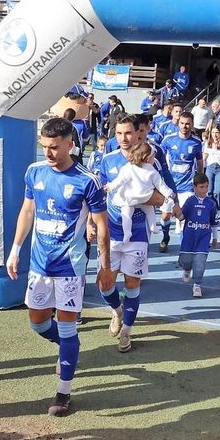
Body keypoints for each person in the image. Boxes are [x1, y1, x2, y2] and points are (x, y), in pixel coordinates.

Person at [6, 117, 110, 417]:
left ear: (69, 144)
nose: (48, 153)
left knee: (66, 327)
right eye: (44, 147)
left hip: (70, 267)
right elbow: (28, 210)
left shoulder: (87, 180)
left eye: (54, 147)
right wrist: (15, 251)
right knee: (38, 323)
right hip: (40, 264)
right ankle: (69, 349)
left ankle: (64, 392)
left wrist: (105, 266)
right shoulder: (34, 172)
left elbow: (102, 227)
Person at [95, 113, 176, 353]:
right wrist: (92, 222)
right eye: (119, 133)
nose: (124, 138)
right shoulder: (107, 160)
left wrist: (137, 197)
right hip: (110, 233)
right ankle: (117, 312)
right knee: (104, 283)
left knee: (132, 283)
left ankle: (127, 332)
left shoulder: (152, 159)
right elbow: (98, 194)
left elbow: (163, 196)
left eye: (128, 133)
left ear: (139, 132)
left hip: (138, 234)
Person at [158, 112, 202, 253]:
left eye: (188, 123)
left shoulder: (196, 142)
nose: (185, 126)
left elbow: (200, 163)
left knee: (184, 217)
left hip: (187, 186)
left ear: (192, 124)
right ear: (178, 124)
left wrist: (199, 181)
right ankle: (165, 237)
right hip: (170, 186)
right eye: (182, 123)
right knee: (165, 216)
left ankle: (184, 249)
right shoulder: (168, 140)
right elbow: (159, 159)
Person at [177, 174, 219, 299]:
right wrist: (176, 213)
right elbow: (182, 217)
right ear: (194, 187)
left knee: (200, 264)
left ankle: (197, 285)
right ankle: (187, 269)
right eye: (201, 187)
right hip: (189, 238)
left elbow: (214, 222)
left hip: (203, 239)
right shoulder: (190, 201)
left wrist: (215, 237)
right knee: (186, 260)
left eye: (206, 187)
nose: (205, 190)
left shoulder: (211, 203)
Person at [202, 124, 220, 201]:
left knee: (218, 190)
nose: (215, 135)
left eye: (217, 132)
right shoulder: (208, 144)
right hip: (210, 167)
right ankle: (210, 206)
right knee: (209, 190)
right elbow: (204, 156)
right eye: (213, 132)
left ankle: (217, 206)